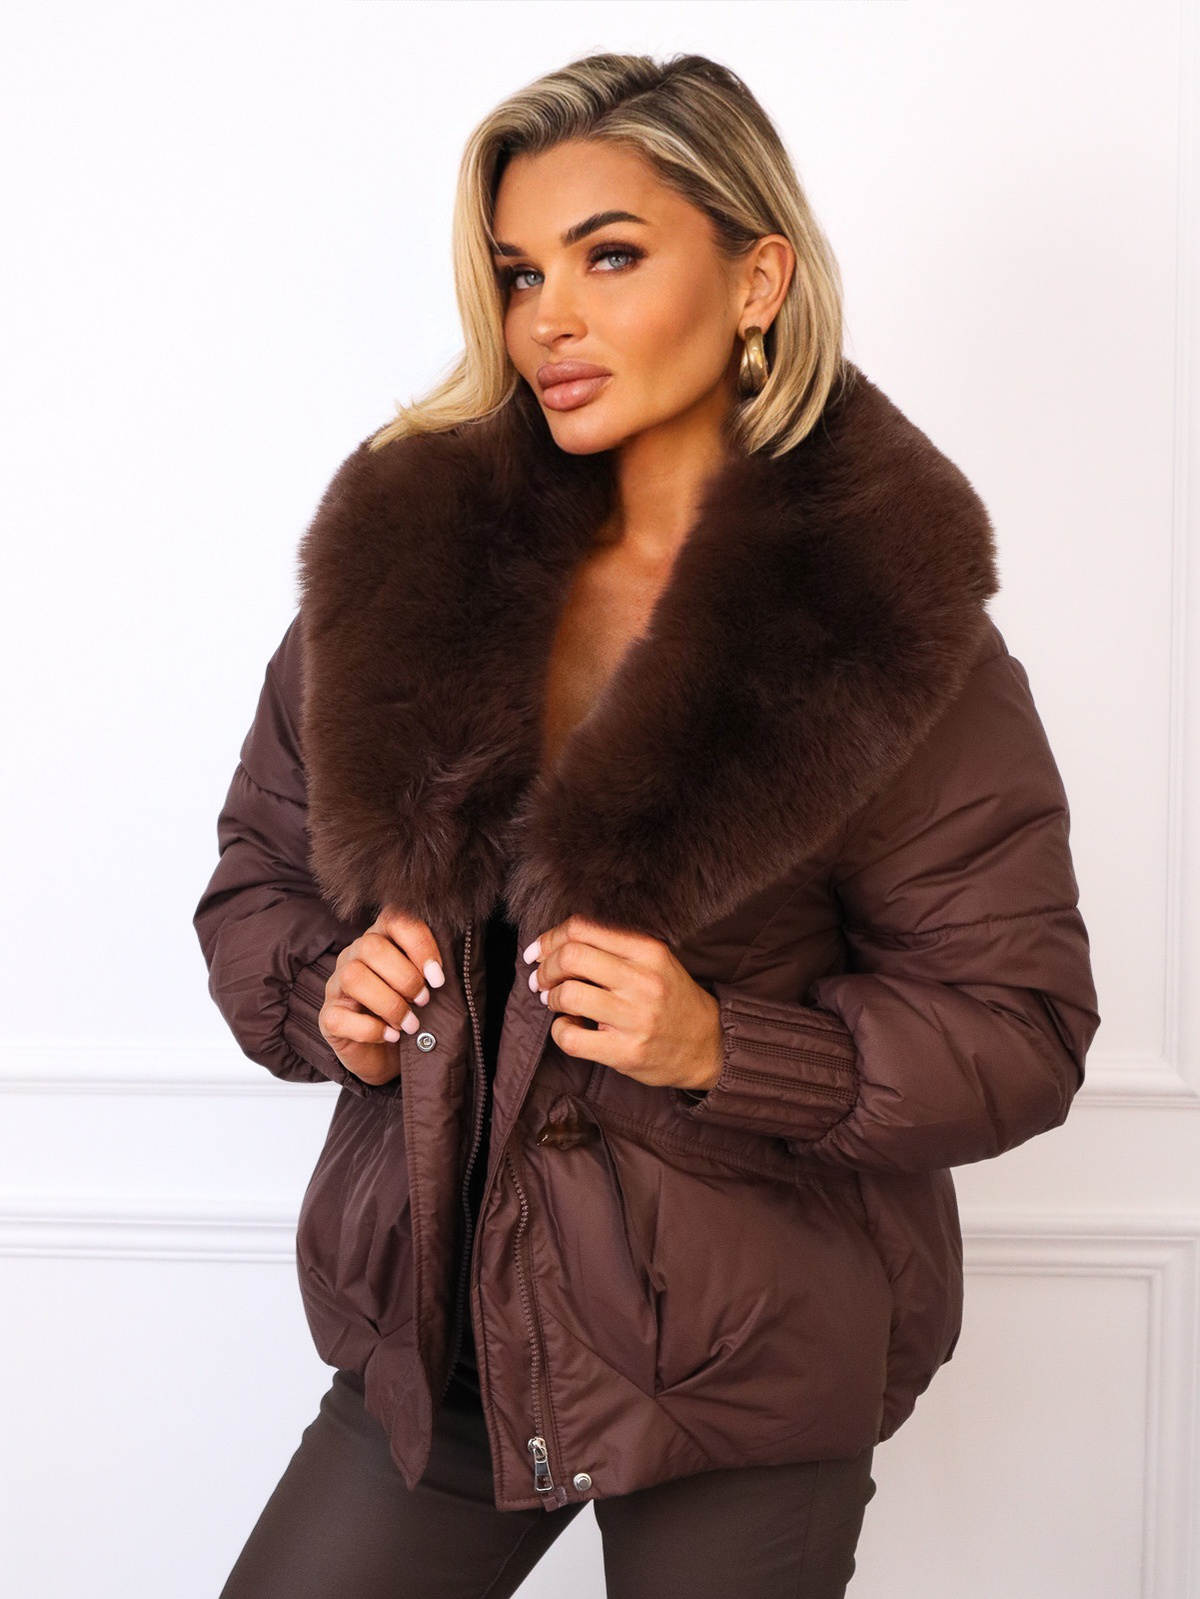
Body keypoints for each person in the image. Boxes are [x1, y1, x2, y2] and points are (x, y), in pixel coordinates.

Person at [193, 49, 1099, 1599]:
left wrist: (727, 1046)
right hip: (446, 1343)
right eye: (520, 272)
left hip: (744, 1372)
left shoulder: (885, 635)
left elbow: (1022, 1024)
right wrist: (325, 994)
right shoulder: (400, 576)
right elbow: (258, 881)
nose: (549, 316)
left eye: (609, 256)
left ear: (758, 279)